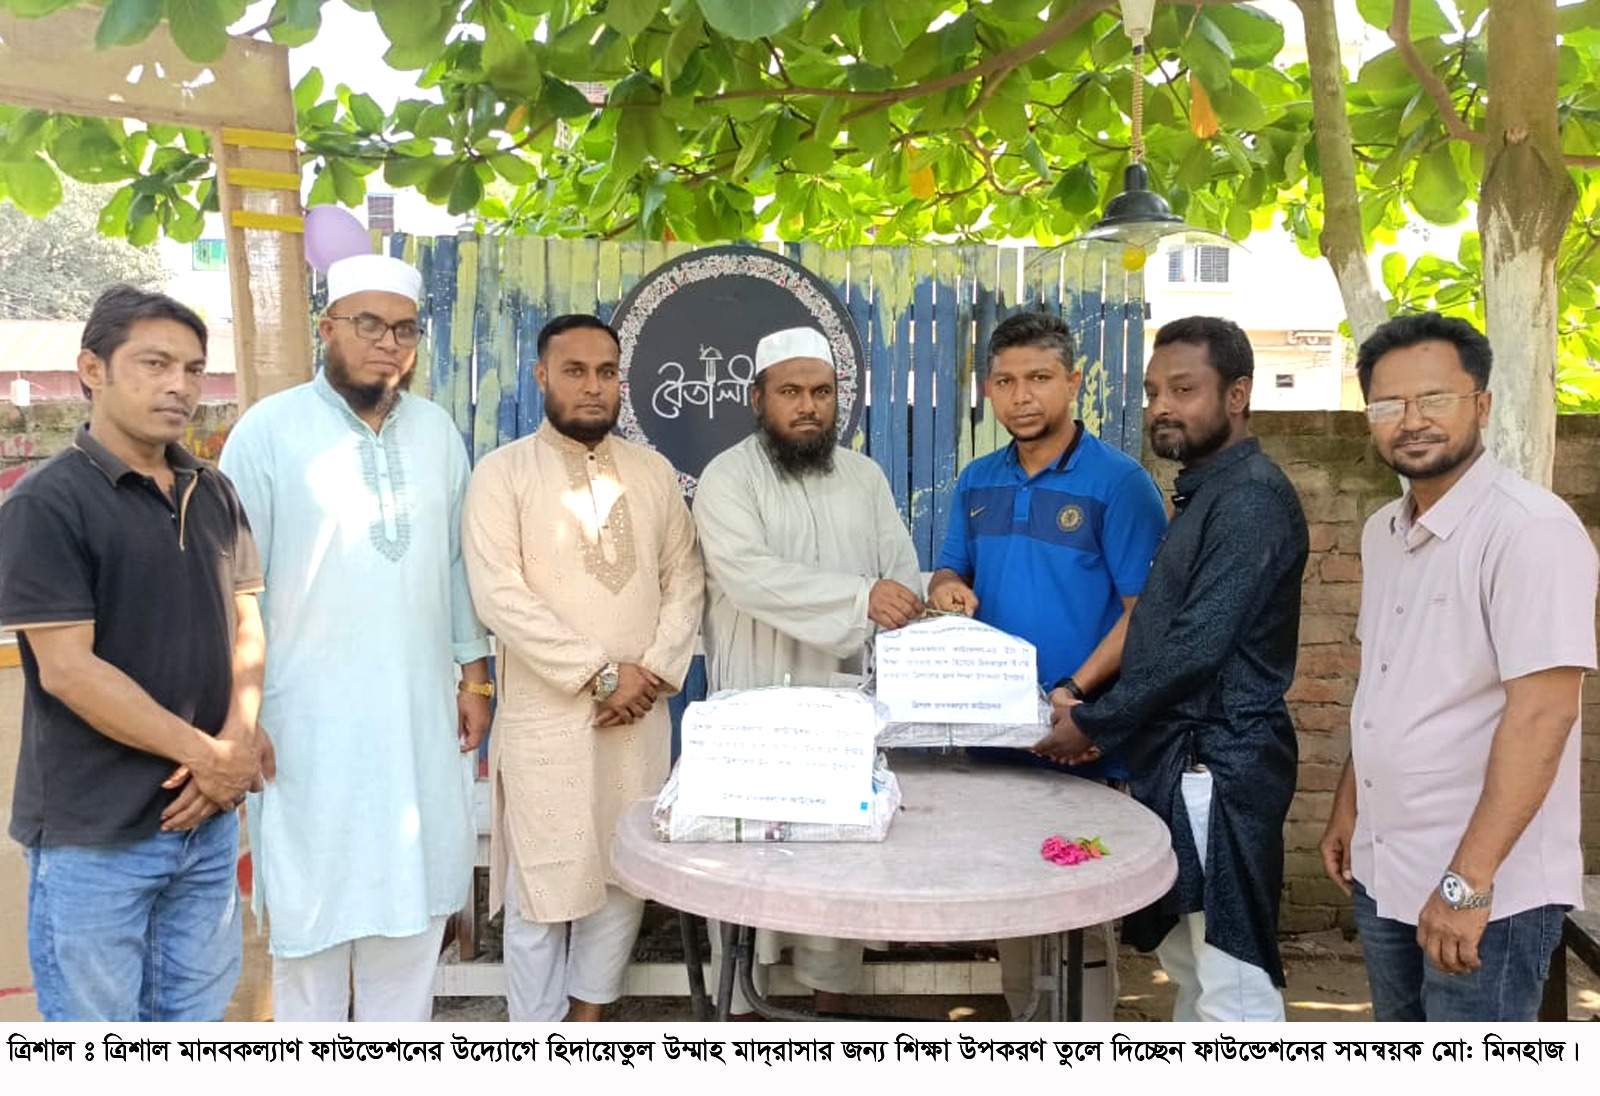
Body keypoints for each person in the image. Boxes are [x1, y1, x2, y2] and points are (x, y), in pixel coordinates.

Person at [218, 253, 493, 1022]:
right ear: (327, 328)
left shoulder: (437, 433)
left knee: (410, 922)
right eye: (368, 324)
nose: (387, 343)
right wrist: (242, 714)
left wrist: (475, 675)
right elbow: (232, 588)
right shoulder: (268, 432)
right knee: (312, 927)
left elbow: (455, 564)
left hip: (415, 715)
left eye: (404, 328)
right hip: (303, 724)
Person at [1319, 313, 1597, 1022]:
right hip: (1385, 866)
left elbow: (1544, 714)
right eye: (1389, 404)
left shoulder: (1530, 531)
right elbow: (1384, 684)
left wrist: (1468, 885)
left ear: (1482, 404)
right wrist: (1351, 805)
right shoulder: (1384, 531)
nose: (1411, 420)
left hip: (1486, 890)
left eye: (1434, 399)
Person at [0, 285, 266, 1021]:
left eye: (192, 369)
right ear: (93, 369)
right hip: (96, 836)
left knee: (194, 1023)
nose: (179, 385)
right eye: (155, 363)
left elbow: (247, 623)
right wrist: (211, 757)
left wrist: (238, 741)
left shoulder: (213, 491)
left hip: (205, 826)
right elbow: (69, 670)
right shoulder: (46, 504)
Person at [1033, 315, 1308, 1022]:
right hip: (1184, 764)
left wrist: (1095, 721)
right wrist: (1106, 720)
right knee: (1192, 967)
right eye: (1154, 391)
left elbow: (1196, 645)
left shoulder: (1249, 499)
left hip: (1219, 767)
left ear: (1237, 395)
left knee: (1232, 986)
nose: (1161, 406)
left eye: (1184, 389)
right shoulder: (1209, 492)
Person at [462, 314, 704, 1022]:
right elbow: (498, 594)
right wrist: (601, 674)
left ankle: (588, 1022)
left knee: (622, 871)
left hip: (639, 712)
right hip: (550, 716)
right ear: (542, 377)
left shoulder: (652, 473)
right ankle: (534, 1036)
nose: (593, 387)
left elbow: (685, 576)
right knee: (544, 880)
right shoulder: (502, 473)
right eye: (574, 371)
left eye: (605, 373)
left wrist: (651, 671)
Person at [928, 310, 1167, 1020]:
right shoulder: (977, 481)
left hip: (1079, 731)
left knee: (1078, 902)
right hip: (994, 733)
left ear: (1074, 382)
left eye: (1038, 378)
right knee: (1011, 895)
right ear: (988, 390)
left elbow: (1145, 613)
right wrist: (946, 587)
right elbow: (950, 569)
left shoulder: (1119, 484)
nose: (1021, 396)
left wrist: (1077, 695)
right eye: (1005, 381)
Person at [694, 325, 924, 1016]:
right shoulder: (728, 477)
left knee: (840, 851)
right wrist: (861, 599)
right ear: (757, 398)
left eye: (821, 392)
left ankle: (831, 1008)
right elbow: (748, 576)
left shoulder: (864, 477)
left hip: (840, 693)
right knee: (745, 859)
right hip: (756, 694)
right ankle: (736, 1012)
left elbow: (899, 572)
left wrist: (905, 600)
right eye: (790, 392)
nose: (807, 407)